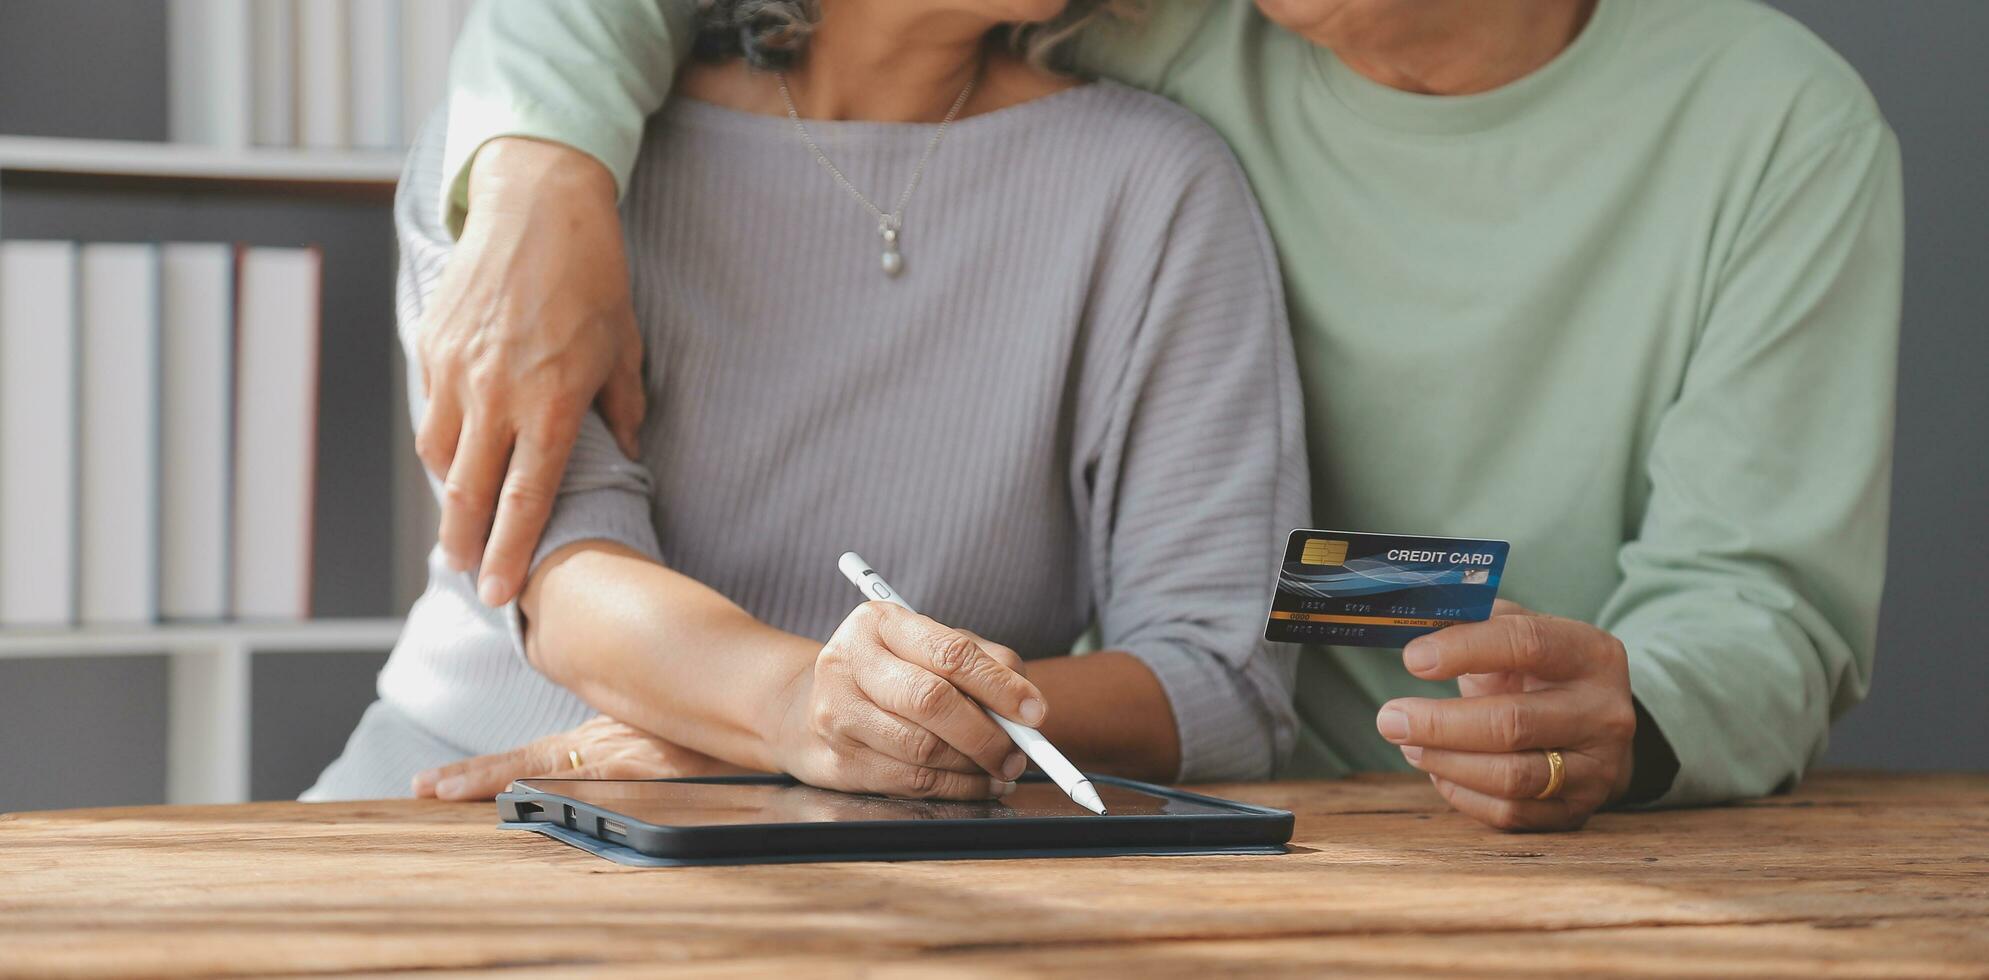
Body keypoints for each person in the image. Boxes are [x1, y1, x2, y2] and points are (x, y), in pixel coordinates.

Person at [409, 0, 1904, 830]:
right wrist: (540, 162)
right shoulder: (1168, 31)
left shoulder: (1771, 120)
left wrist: (1628, 707)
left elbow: (1759, 592)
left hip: (1515, 813)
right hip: (1182, 808)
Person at [304, 0, 1310, 801]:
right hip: (479, 789)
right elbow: (557, 578)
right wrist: (794, 709)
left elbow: (1220, 683)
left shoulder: (1158, 185)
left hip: (889, 846)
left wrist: (887, 727)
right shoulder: (526, 159)